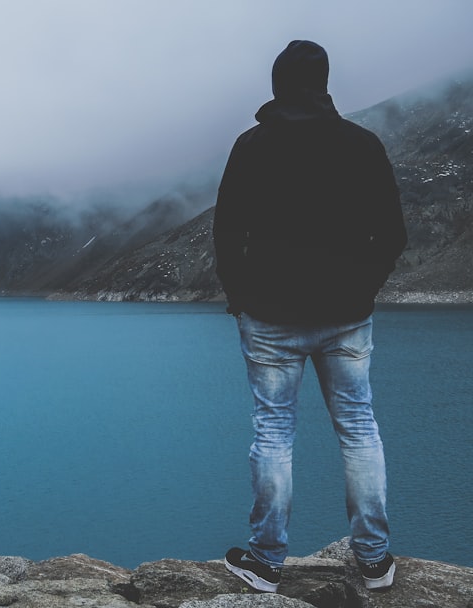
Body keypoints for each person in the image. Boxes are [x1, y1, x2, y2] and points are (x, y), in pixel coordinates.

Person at [212, 40, 408, 593]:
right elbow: (392, 234)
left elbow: (227, 230)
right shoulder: (362, 144)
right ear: (324, 82)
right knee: (359, 429)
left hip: (269, 317)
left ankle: (267, 562)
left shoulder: (251, 145)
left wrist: (239, 297)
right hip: (346, 315)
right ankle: (373, 560)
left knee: (273, 433)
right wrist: (362, 289)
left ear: (277, 84)